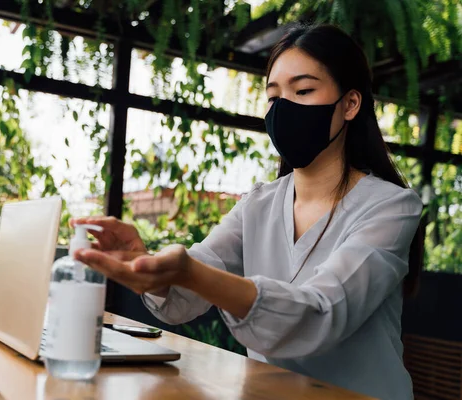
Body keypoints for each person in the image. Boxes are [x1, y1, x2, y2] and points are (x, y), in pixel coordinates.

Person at [71, 24, 423, 400]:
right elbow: (190, 282)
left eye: (303, 90)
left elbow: (322, 314)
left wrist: (194, 274)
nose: (283, 108)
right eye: (273, 97)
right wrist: (147, 267)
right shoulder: (257, 203)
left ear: (350, 104)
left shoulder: (391, 207)